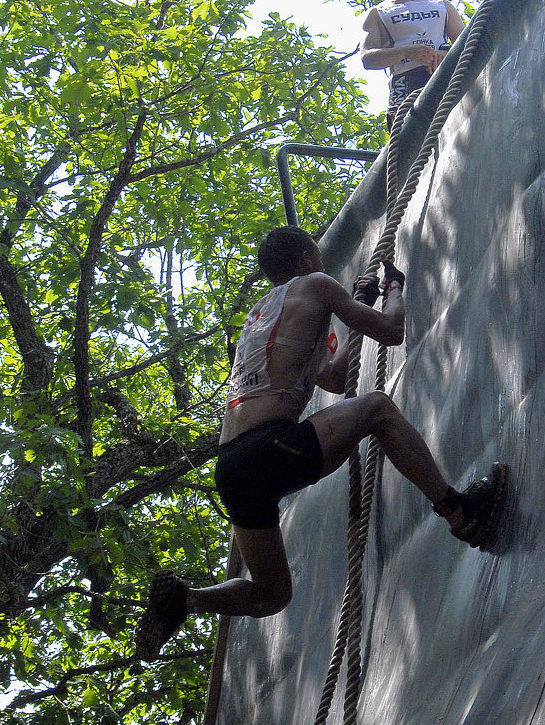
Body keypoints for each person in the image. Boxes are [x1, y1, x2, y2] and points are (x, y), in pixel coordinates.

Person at [134, 226, 506, 661]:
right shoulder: (316, 284)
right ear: (307, 259)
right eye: (319, 257)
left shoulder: (260, 315)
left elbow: (330, 375)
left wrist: (356, 306)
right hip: (268, 445)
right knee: (378, 408)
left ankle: (189, 599)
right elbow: (390, 331)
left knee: (270, 594)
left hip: (231, 465)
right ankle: (460, 513)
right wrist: (394, 290)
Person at [360, 0, 465, 130]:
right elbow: (368, 59)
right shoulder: (378, 13)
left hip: (444, 76)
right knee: (407, 145)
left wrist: (444, 56)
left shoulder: (442, 6)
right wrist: (406, 51)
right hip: (405, 87)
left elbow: (468, 46)